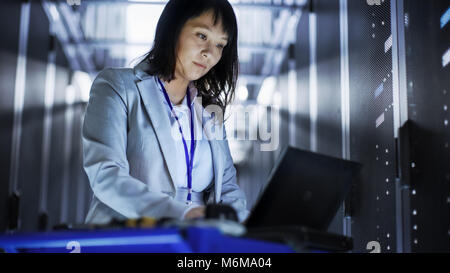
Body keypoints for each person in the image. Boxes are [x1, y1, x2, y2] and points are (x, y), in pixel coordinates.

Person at [82, 0, 249, 224]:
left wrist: (249, 225)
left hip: (193, 246)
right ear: (173, 28)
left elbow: (228, 188)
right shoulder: (117, 86)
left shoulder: (210, 110)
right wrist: (181, 214)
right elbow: (106, 175)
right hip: (130, 235)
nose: (210, 53)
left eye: (220, 45)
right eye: (202, 36)